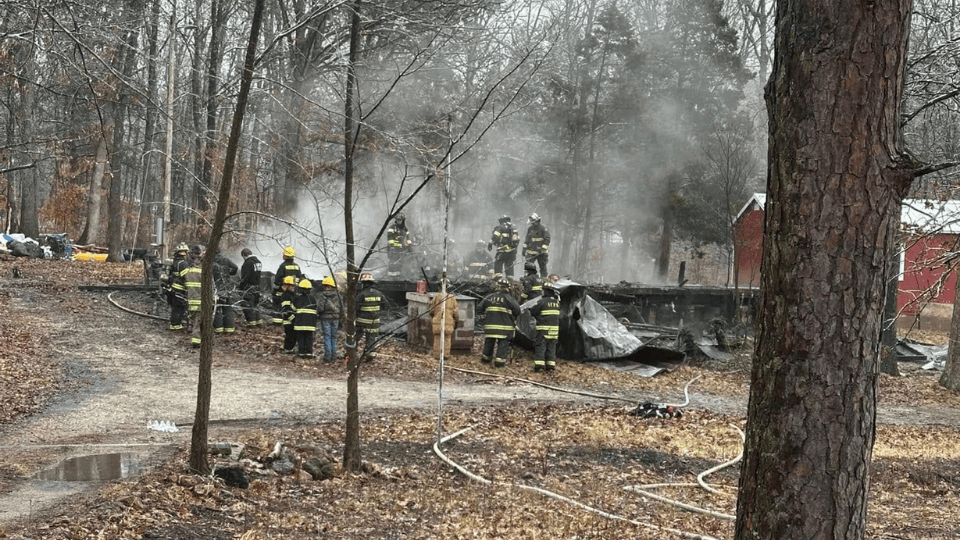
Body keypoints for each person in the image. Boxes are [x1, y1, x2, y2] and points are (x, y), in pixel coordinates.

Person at [478, 278, 521, 368]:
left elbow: (479, 308)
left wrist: (482, 318)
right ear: (508, 288)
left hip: (490, 326)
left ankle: (486, 359)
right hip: (505, 327)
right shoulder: (509, 298)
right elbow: (517, 311)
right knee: (503, 343)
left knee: (489, 341)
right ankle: (499, 362)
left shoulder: (489, 297)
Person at [529, 281, 561, 372]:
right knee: (551, 348)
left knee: (540, 347)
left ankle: (539, 366)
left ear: (545, 291)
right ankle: (550, 366)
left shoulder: (542, 302)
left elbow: (533, 311)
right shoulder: (556, 303)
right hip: (554, 330)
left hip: (543, 330)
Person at [355, 272, 385, 361]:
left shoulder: (361, 294)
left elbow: (356, 308)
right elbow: (385, 305)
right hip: (374, 322)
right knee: (371, 339)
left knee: (355, 338)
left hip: (362, 321)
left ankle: (351, 354)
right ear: (372, 283)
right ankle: (370, 356)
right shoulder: (379, 294)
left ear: (363, 284)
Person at [272, 246, 304, 324]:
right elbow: (299, 279)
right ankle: (291, 319)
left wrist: (281, 286)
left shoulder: (283, 266)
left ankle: (277, 321)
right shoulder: (296, 266)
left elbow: (277, 280)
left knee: (278, 303)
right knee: (291, 305)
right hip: (294, 290)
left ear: (285, 256)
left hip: (284, 289)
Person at [427, 283, 459, 359]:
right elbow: (455, 313)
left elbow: (431, 311)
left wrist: (434, 316)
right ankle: (445, 356)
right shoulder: (452, 298)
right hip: (449, 323)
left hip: (437, 322)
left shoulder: (436, 297)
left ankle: (437, 356)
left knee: (437, 339)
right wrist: (456, 320)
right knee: (447, 339)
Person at [212, 249, 239, 335]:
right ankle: (229, 328)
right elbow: (235, 267)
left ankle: (219, 329)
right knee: (228, 308)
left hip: (216, 288)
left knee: (217, 308)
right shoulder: (225, 259)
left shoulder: (210, 261)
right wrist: (229, 274)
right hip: (226, 288)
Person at [316, 276, 342, 363]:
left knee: (327, 337)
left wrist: (319, 314)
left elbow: (320, 308)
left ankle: (327, 357)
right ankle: (334, 356)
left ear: (327, 286)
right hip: (336, 318)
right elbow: (342, 308)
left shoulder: (322, 295)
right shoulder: (339, 296)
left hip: (325, 318)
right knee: (334, 337)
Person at [184, 245, 204, 348]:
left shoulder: (187, 272)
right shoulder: (202, 273)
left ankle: (192, 333)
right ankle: (196, 342)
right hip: (200, 301)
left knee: (193, 319)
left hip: (191, 300)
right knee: (198, 322)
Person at [167, 243, 190, 331]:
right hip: (179, 289)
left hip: (173, 287)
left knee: (175, 307)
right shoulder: (183, 264)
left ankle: (176, 322)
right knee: (179, 307)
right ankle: (175, 325)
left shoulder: (175, 262)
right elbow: (186, 277)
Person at [293, 279, 318, 358]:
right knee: (309, 338)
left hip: (300, 323)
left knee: (301, 338)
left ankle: (301, 352)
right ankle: (309, 353)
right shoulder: (313, 299)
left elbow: (293, 309)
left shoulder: (297, 299)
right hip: (310, 324)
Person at [238, 248, 263, 327]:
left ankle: (251, 323)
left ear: (244, 255)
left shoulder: (248, 263)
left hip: (249, 287)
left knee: (247, 304)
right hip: (257, 287)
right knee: (255, 304)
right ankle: (258, 321)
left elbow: (245, 277)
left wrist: (241, 287)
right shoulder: (258, 262)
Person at [523, 212, 550, 277]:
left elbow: (547, 239)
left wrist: (543, 249)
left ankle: (544, 280)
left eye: (533, 222)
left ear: (537, 221)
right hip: (531, 252)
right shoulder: (530, 229)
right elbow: (527, 240)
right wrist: (524, 249)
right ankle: (529, 279)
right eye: (532, 223)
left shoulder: (543, 228)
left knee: (542, 266)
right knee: (528, 266)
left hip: (541, 253)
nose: (533, 224)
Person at [386, 213, 412, 278]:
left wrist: (409, 246)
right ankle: (391, 278)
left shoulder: (405, 229)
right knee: (393, 263)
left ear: (403, 220)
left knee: (403, 263)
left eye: (400, 220)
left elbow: (408, 238)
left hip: (402, 250)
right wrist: (398, 245)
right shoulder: (392, 228)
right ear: (396, 220)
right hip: (393, 249)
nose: (399, 221)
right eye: (398, 220)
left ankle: (399, 277)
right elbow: (390, 240)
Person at [279, 275, 298, 354]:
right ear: (287, 286)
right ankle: (288, 349)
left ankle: (290, 349)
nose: (293, 287)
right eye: (291, 286)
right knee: (290, 335)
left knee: (293, 335)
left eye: (294, 285)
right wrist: (292, 318)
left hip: (293, 319)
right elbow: (286, 309)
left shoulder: (292, 295)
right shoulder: (286, 295)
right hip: (288, 320)